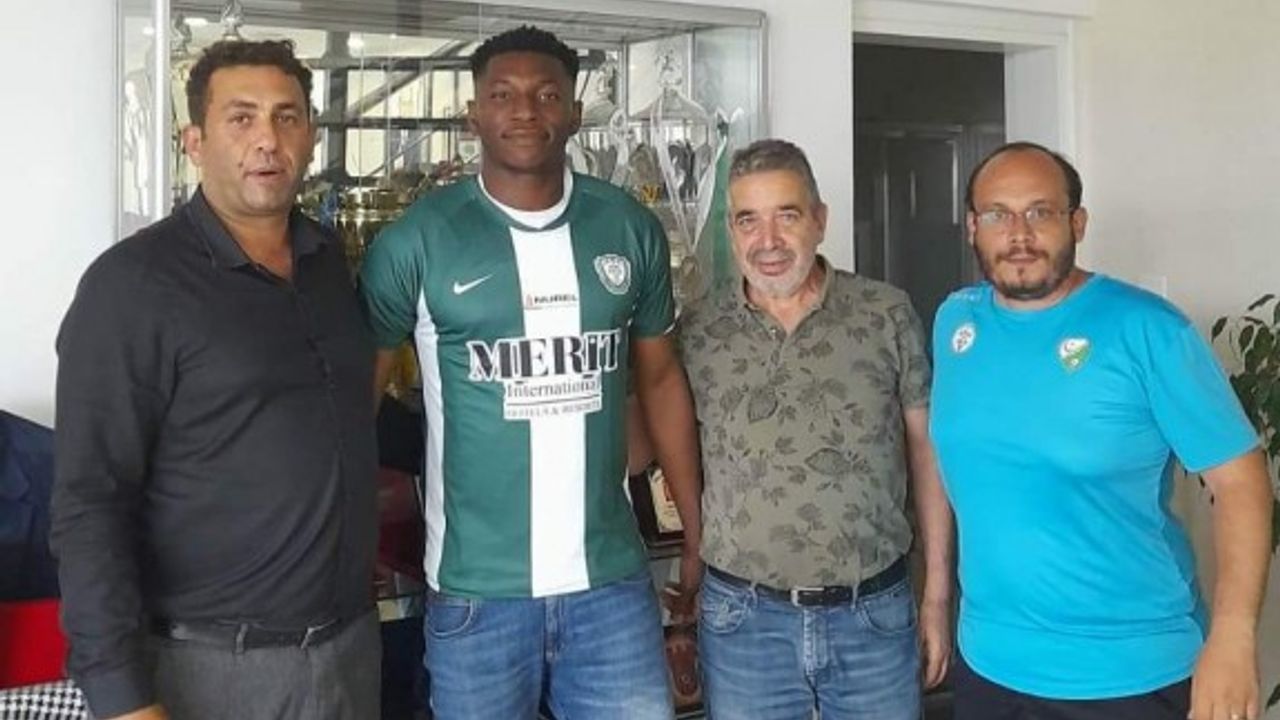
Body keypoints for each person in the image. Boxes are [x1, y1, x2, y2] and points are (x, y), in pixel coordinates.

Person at [358, 26, 702, 719]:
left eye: (546, 95)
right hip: (475, 594)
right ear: (472, 115)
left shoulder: (627, 228)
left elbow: (662, 381)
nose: (524, 110)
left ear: (573, 113)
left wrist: (696, 531)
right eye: (503, 95)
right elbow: (356, 407)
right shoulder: (416, 241)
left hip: (610, 587)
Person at [52, 40, 380, 720]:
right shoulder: (133, 286)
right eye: (241, 118)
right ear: (194, 142)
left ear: (310, 137)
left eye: (287, 117)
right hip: (209, 670)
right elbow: (90, 501)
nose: (267, 139)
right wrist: (121, 697)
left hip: (349, 653)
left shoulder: (326, 262)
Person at [930, 141, 1274, 720]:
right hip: (989, 664)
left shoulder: (1149, 330)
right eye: (997, 214)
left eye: (1040, 211)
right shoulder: (954, 322)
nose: (1019, 234)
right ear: (972, 227)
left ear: (1078, 223)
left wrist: (1233, 639)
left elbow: (1241, 481)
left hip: (1129, 673)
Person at [678, 138, 954, 719]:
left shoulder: (884, 313)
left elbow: (928, 453)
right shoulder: (700, 330)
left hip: (873, 612)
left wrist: (935, 595)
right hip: (743, 622)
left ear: (820, 220)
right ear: (731, 231)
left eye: (787, 215)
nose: (768, 241)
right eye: (748, 220)